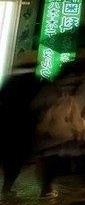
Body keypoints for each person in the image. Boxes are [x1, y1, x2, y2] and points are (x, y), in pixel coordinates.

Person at [33, 59, 85, 197]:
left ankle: (47, 188)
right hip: (76, 132)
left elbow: (37, 104)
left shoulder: (54, 84)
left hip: (53, 133)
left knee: (51, 160)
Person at [2, 54, 45, 197]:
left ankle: (6, 187)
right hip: (25, 126)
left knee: (8, 156)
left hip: (7, 124)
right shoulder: (35, 82)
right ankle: (7, 187)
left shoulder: (10, 80)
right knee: (17, 159)